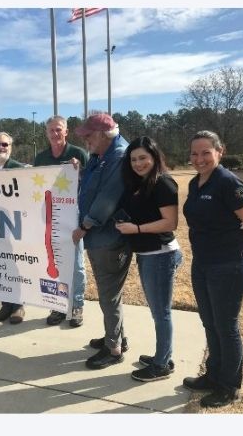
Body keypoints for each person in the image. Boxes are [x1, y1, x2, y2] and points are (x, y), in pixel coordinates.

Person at [181, 130, 243, 407]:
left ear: (220, 151)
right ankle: (213, 376)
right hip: (203, 263)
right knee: (209, 322)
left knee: (226, 327)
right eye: (194, 153)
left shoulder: (228, 182)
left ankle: (229, 387)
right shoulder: (195, 184)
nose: (199, 158)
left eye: (206, 152)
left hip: (228, 264)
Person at [113, 136, 182, 382]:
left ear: (154, 157)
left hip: (160, 254)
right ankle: (163, 356)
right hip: (148, 254)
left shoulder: (163, 183)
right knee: (158, 310)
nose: (138, 163)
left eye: (143, 157)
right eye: (133, 159)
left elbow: (170, 222)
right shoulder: (139, 182)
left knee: (160, 312)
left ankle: (162, 364)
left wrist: (136, 229)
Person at [72, 113, 133, 370]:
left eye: (88, 135)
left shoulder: (118, 156)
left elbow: (107, 198)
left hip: (108, 237)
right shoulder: (102, 155)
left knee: (109, 296)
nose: (85, 139)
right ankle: (118, 336)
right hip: (101, 236)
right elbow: (90, 185)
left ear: (101, 134)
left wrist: (85, 225)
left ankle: (114, 349)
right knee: (110, 294)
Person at [36, 115, 90, 328]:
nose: (55, 134)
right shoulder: (41, 158)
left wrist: (80, 172)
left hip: (73, 215)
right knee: (53, 262)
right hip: (49, 215)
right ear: (46, 133)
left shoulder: (78, 154)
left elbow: (90, 185)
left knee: (75, 263)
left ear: (66, 131)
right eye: (51, 130)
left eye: (59, 130)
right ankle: (58, 305)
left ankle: (76, 305)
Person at [0, 132, 28, 324]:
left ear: (11, 146)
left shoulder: (20, 169)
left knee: (15, 266)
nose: (0, 148)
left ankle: (18, 306)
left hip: (15, 227)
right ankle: (5, 304)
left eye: (4, 144)